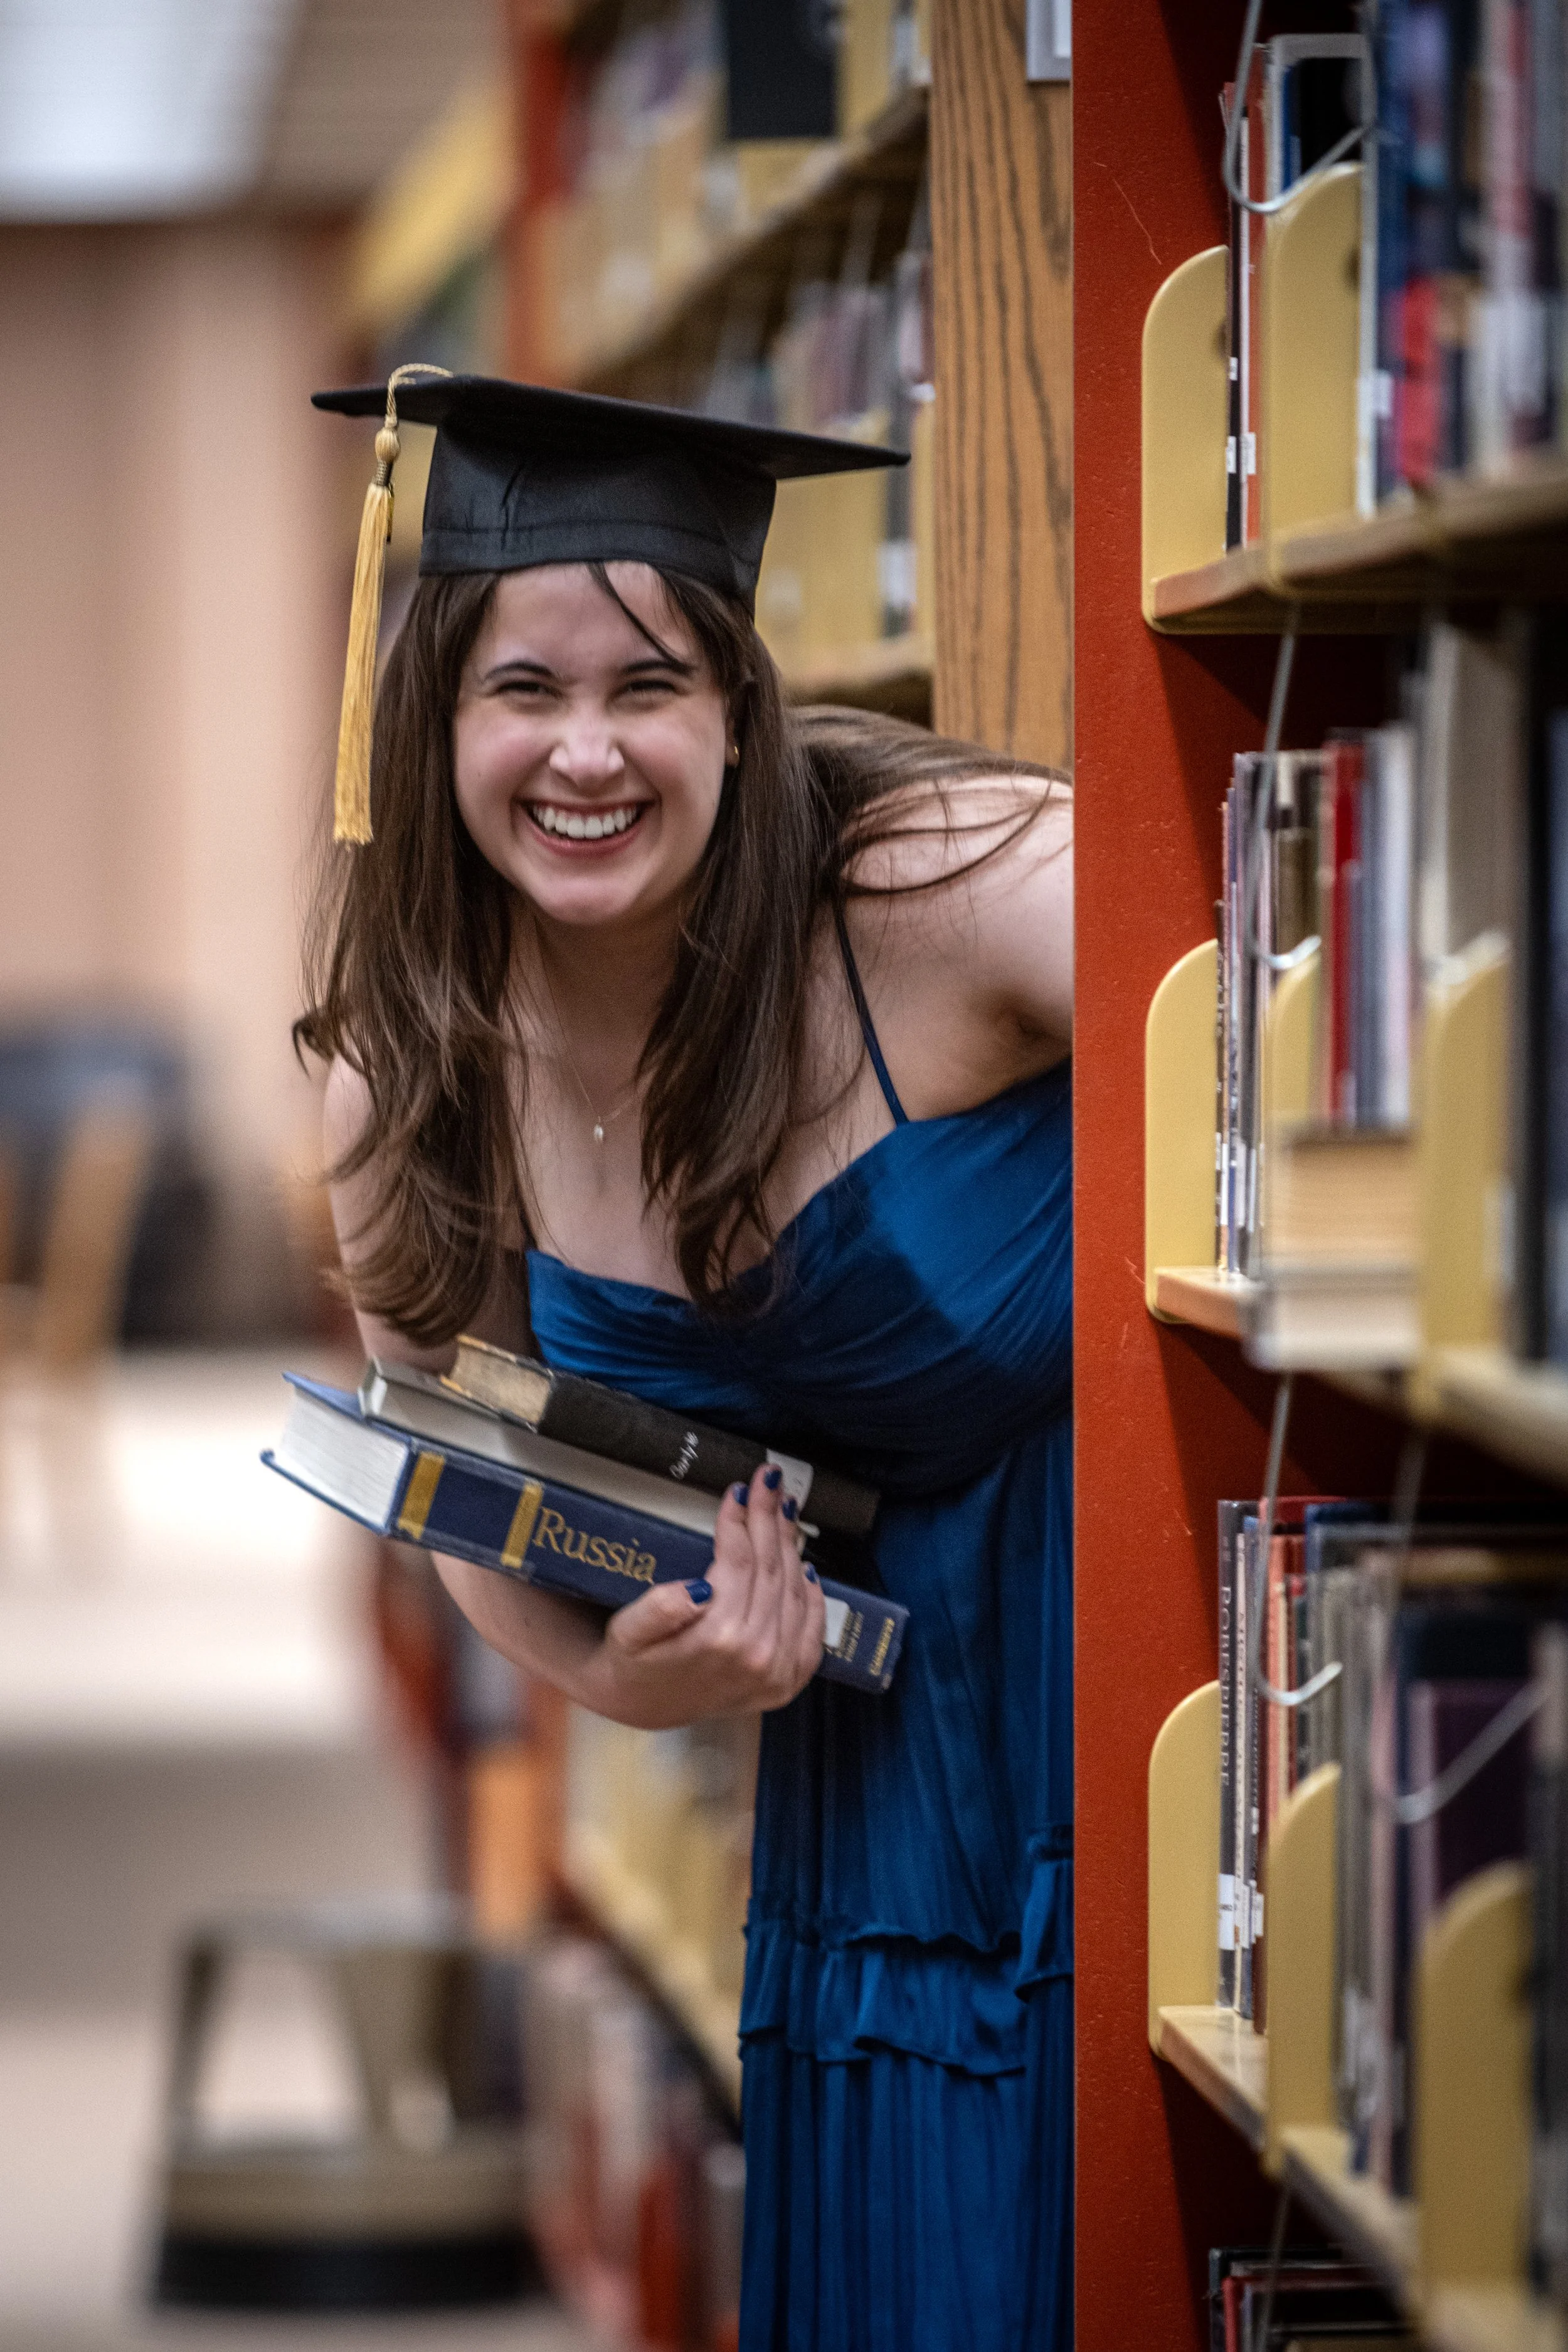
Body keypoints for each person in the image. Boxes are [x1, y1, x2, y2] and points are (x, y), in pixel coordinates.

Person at [299, 373, 1073, 2349]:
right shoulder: (418, 1080)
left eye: (645, 685)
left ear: (735, 705)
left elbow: (1281, 988)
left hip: (1138, 1658)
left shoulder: (936, 892)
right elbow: (460, 1485)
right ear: (431, 727)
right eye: (519, 690)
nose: (585, 750)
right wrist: (614, 1681)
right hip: (866, 1753)